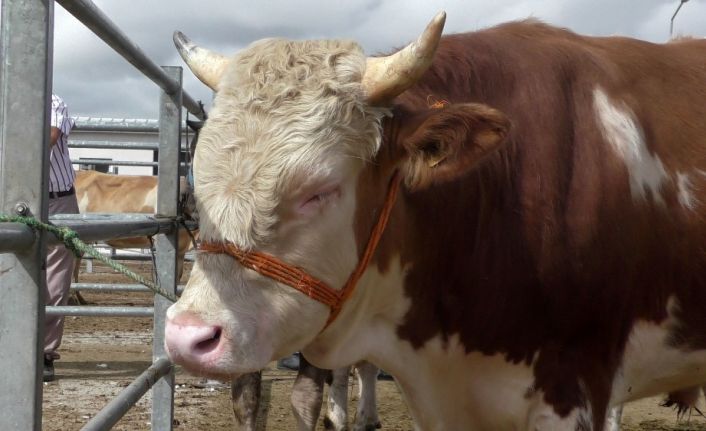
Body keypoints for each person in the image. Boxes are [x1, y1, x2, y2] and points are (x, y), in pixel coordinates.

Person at [43, 93, 79, 382]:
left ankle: (44, 352)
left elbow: (51, 136)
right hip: (10, 198)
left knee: (55, 281)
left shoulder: (53, 100)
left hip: (57, 200)